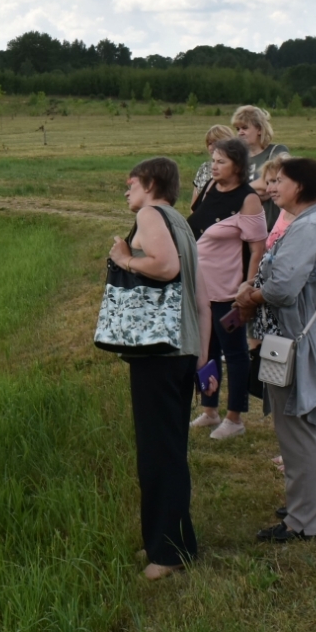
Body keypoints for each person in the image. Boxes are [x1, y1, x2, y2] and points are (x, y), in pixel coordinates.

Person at [97, 157, 207, 580]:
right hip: (181, 347)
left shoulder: (150, 213)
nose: (126, 192)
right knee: (169, 448)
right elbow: (197, 292)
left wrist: (125, 259)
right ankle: (167, 537)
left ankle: (169, 553)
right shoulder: (180, 220)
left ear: (150, 184)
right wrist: (201, 352)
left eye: (130, 185)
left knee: (158, 453)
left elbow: (166, 267)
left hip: (158, 351)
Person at [232, 157, 316, 541]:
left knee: (295, 426)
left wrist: (251, 296)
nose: (272, 187)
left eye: (280, 181)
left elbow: (282, 289)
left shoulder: (309, 227)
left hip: (294, 343)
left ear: (301, 186)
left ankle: (301, 522)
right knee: (311, 425)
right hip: (302, 339)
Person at [187, 136, 268, 439]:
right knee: (206, 351)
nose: (214, 165)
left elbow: (257, 249)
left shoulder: (248, 199)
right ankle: (209, 410)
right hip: (200, 288)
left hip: (228, 289)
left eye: (221, 161)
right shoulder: (210, 188)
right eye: (213, 160)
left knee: (234, 353)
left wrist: (245, 288)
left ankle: (235, 418)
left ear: (238, 166)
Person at [232, 105, 288, 230]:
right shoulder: (238, 159)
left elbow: (268, 186)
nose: (240, 132)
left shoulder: (276, 151)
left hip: (272, 228)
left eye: (245, 128)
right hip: (244, 229)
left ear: (260, 130)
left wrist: (240, 193)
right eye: (237, 129)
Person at [189, 124, 235, 210]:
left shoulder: (235, 169)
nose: (213, 146)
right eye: (210, 143)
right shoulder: (204, 168)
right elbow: (194, 205)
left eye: (217, 142)